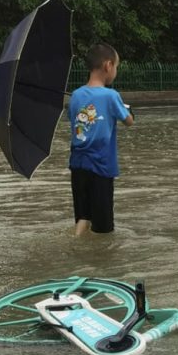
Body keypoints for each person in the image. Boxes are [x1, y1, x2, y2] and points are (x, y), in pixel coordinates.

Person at [67, 43, 135, 236]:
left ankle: (76, 242)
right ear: (108, 65)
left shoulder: (76, 95)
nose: (116, 71)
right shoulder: (111, 96)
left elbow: (74, 121)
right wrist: (128, 109)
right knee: (104, 227)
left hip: (78, 165)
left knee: (83, 217)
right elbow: (129, 121)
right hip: (101, 167)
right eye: (116, 67)